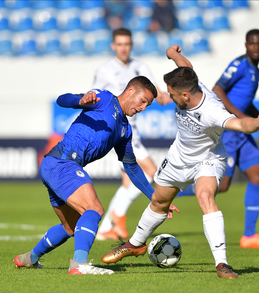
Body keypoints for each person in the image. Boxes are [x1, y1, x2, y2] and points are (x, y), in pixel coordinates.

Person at [100, 44, 259, 279]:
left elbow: (241, 124)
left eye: (171, 95)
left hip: (208, 159)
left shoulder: (212, 109)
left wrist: (258, 121)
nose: (169, 97)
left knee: (205, 196)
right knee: (159, 202)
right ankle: (135, 244)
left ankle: (222, 264)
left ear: (185, 95)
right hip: (177, 158)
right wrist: (172, 54)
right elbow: (186, 66)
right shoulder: (189, 84)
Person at [13, 76, 162, 275]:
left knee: (71, 227)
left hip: (54, 166)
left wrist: (155, 198)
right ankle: (80, 265)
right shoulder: (105, 99)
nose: (143, 108)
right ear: (131, 91)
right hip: (62, 163)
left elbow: (132, 167)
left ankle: (29, 258)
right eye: (143, 101)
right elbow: (62, 99)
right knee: (94, 209)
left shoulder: (125, 129)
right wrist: (79, 101)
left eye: (148, 105)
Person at [93, 28, 170, 241]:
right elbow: (96, 97)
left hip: (132, 130)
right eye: (119, 44)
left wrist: (164, 96)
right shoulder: (105, 70)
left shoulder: (140, 67)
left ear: (131, 45)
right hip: (119, 130)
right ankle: (118, 216)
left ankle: (107, 226)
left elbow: (155, 90)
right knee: (153, 172)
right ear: (113, 46)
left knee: (128, 181)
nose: (123, 48)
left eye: (127, 44)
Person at [213, 29, 259, 249]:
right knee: (222, 186)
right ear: (246, 45)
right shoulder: (240, 64)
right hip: (232, 131)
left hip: (244, 131)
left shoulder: (256, 72)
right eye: (252, 43)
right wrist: (242, 119)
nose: (255, 47)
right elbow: (217, 89)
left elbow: (246, 103)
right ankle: (169, 189)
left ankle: (249, 236)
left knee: (257, 176)